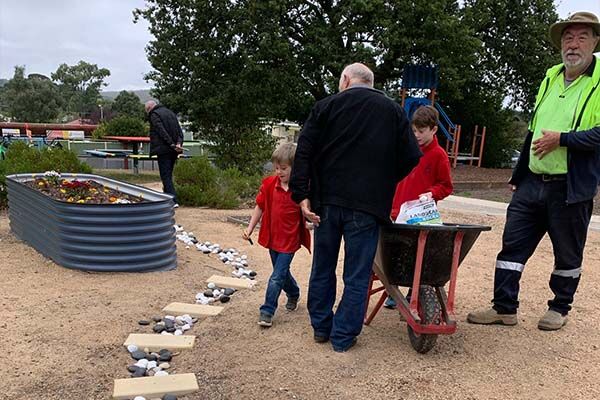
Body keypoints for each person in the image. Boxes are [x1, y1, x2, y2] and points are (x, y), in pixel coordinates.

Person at [468, 12, 600, 331]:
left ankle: (559, 308)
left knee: (567, 254)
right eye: (568, 37)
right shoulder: (551, 76)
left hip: (570, 187)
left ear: (595, 42)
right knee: (512, 246)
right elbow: (533, 130)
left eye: (582, 36)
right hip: (532, 183)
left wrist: (563, 140)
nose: (573, 44)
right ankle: (504, 307)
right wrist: (518, 175)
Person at [289, 63, 422, 352]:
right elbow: (412, 156)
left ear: (346, 80)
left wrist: (302, 196)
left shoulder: (325, 107)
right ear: (370, 82)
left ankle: (321, 328)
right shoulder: (394, 112)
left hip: (324, 203)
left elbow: (304, 154)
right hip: (367, 205)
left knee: (323, 267)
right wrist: (384, 180)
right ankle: (343, 337)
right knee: (357, 274)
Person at [383, 105, 453, 309]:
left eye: (421, 132)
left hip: (420, 215)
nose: (417, 136)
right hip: (397, 211)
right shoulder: (407, 150)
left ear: (433, 130)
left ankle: (414, 290)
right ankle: (392, 289)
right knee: (394, 252)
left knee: (417, 256)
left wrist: (432, 193)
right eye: (414, 131)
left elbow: (446, 186)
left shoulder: (439, 155)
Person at [243, 143, 311, 328]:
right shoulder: (269, 185)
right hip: (273, 238)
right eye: (276, 168)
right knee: (281, 274)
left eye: (283, 168)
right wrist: (250, 228)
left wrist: (309, 217)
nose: (278, 172)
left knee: (276, 276)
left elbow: (307, 209)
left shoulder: (300, 190)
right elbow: (260, 206)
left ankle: (267, 310)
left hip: (290, 241)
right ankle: (294, 292)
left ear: (294, 168)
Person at [145, 100, 184, 207]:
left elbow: (160, 131)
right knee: (169, 174)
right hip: (174, 150)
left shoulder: (154, 114)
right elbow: (179, 130)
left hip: (164, 149)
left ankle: (172, 200)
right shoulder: (170, 113)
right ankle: (167, 198)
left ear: (149, 109)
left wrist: (171, 144)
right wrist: (178, 143)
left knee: (165, 175)